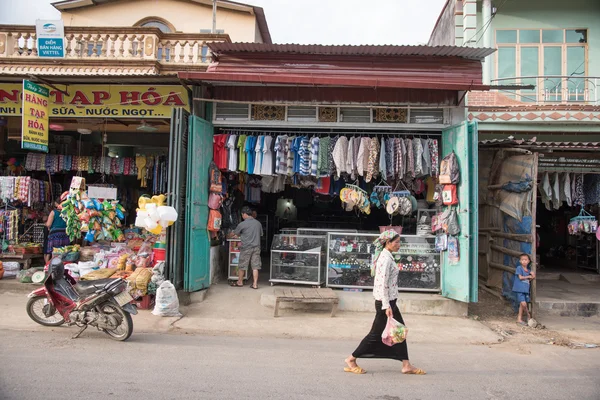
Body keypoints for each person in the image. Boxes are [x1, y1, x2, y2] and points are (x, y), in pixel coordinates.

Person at [344, 230, 426, 375]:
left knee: (399, 332)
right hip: (385, 304)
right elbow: (382, 283)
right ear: (388, 242)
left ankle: (406, 365)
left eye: (399, 242)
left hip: (390, 302)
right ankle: (351, 359)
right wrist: (386, 305)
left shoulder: (388, 256)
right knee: (375, 335)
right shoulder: (385, 259)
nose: (399, 245)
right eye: (397, 242)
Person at [231, 206, 263, 289]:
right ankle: (255, 284)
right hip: (256, 247)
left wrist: (235, 235)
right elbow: (260, 234)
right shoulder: (258, 223)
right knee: (255, 266)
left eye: (242, 215)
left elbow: (235, 233)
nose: (242, 216)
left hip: (246, 247)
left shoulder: (242, 224)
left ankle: (240, 282)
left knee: (242, 265)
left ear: (245, 214)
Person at [513, 253, 535, 326]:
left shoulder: (528, 270)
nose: (524, 261)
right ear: (520, 261)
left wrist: (532, 275)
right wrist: (529, 276)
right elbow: (520, 277)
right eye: (522, 260)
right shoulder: (519, 268)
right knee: (523, 304)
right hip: (519, 289)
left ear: (528, 261)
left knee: (522, 305)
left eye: (526, 260)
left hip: (525, 289)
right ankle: (528, 315)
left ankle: (519, 319)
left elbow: (531, 279)